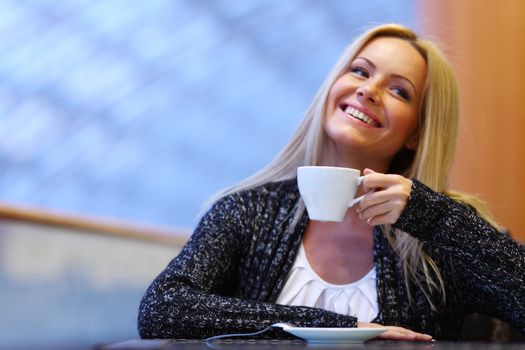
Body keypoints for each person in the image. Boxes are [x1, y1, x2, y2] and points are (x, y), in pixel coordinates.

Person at [138, 23, 525, 341]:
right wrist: (340, 327)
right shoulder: (249, 211)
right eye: (360, 70)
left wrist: (431, 215)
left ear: (416, 133)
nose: (368, 91)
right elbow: (162, 307)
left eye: (398, 90)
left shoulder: (438, 230)